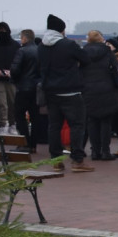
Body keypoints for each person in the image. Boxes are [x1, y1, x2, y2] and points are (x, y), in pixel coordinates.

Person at [37, 14, 95, 172]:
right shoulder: (68, 45)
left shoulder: (42, 46)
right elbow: (86, 59)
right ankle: (77, 160)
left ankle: (56, 160)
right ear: (61, 30)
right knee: (77, 125)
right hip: (71, 91)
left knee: (54, 126)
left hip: (50, 92)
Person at [81, 31, 118, 161]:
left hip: (88, 89)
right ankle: (105, 151)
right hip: (106, 89)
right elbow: (117, 69)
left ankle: (94, 152)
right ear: (100, 39)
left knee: (91, 121)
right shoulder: (107, 51)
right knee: (106, 122)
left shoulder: (83, 52)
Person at [9, 29, 40, 153]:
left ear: (24, 38)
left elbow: (15, 69)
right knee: (35, 117)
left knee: (20, 115)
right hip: (36, 88)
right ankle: (33, 144)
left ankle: (24, 142)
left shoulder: (21, 51)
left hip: (23, 87)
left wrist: (15, 80)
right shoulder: (40, 51)